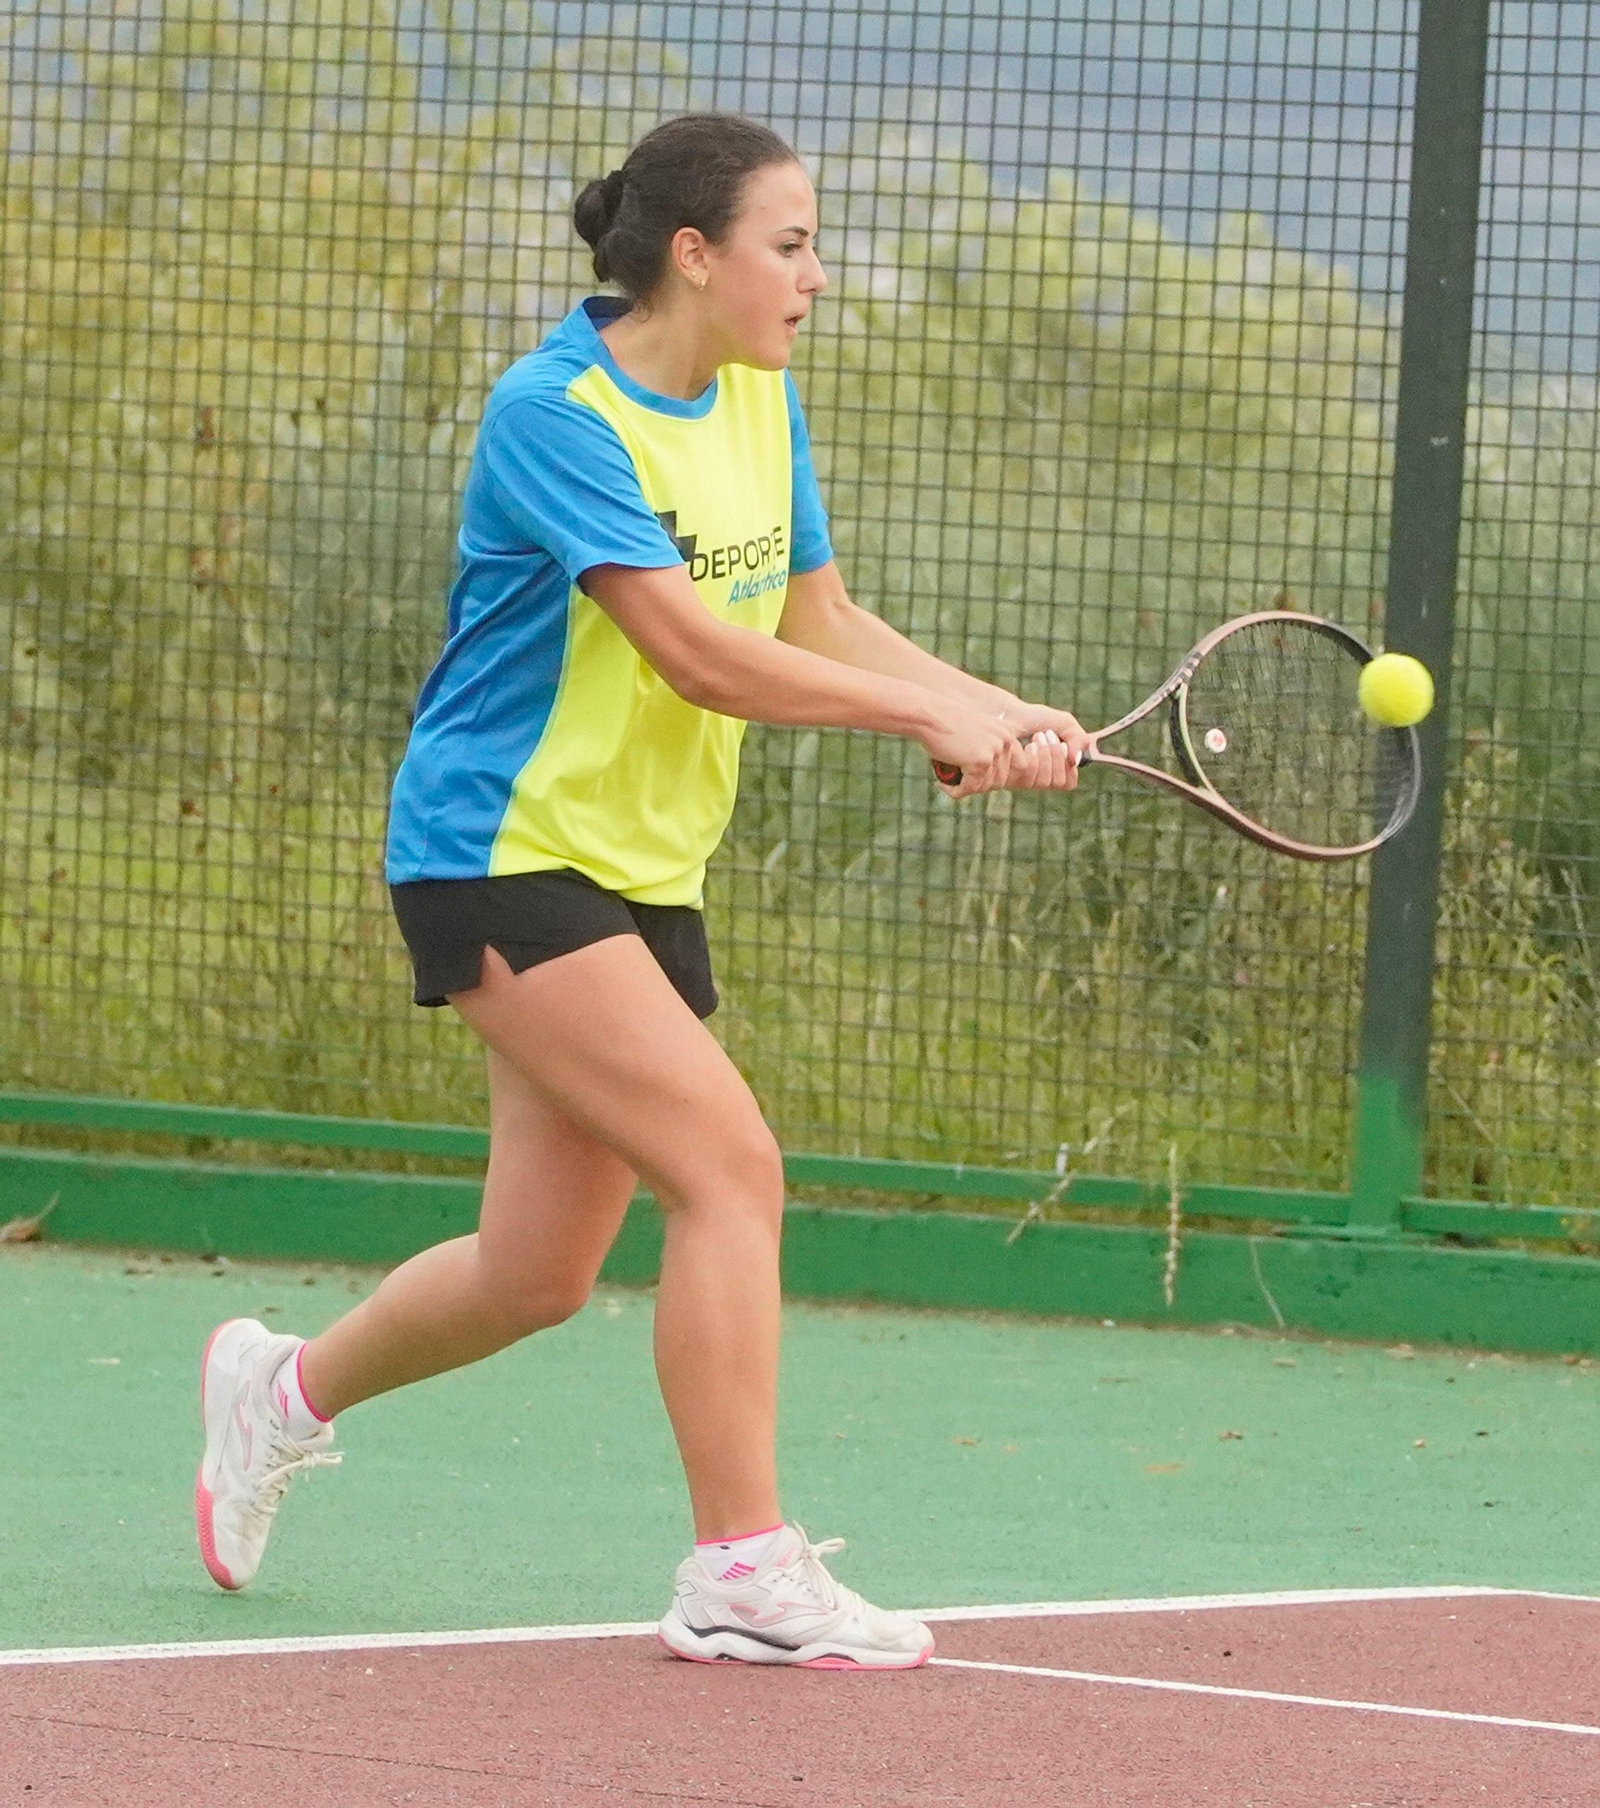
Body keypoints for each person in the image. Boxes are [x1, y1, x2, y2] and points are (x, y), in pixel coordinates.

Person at [194, 112, 1086, 1670]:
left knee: (536, 1274)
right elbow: (690, 647)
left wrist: (992, 707)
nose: (817, 278)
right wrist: (922, 721)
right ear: (695, 253)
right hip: (501, 847)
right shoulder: (559, 412)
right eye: (790, 245)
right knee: (730, 1171)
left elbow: (819, 613)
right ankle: (741, 1567)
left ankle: (279, 1396)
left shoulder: (758, 397)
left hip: (642, 869)